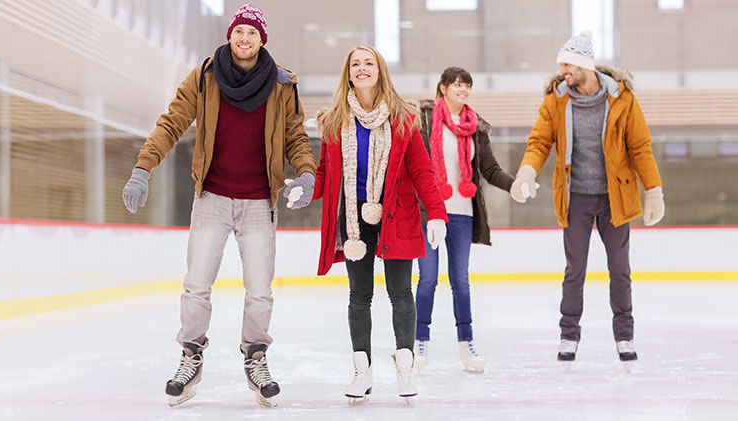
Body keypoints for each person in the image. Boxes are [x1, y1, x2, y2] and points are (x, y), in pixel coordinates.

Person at [121, 4, 317, 407]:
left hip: (260, 201)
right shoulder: (205, 75)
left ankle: (256, 357)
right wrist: (143, 167)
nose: (245, 40)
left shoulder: (282, 83)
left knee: (260, 290)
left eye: (253, 34)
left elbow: (296, 137)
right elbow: (172, 121)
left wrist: (307, 172)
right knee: (196, 286)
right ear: (230, 35)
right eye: (239, 32)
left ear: (262, 40)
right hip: (212, 196)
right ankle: (190, 356)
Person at [510, 30, 665, 367]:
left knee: (620, 270)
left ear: (584, 65)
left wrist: (653, 190)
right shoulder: (557, 99)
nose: (562, 70)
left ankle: (624, 336)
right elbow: (539, 142)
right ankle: (569, 335)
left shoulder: (622, 99)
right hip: (576, 197)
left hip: (615, 198)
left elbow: (640, 147)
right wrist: (526, 172)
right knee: (574, 270)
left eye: (567, 64)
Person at [312, 45, 448, 402]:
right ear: (348, 74)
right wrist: (305, 188)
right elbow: (325, 174)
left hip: (396, 216)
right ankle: (362, 372)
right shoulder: (334, 120)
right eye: (355, 64)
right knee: (359, 296)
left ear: (380, 71)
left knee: (401, 294)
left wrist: (435, 212)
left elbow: (422, 169)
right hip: (354, 221)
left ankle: (405, 369)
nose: (361, 68)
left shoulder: (403, 118)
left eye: (368, 63)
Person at [414, 67, 515, 373]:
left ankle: (466, 346)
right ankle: (419, 344)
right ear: (442, 87)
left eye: (467, 85)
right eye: (456, 84)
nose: (463, 89)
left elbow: (490, 169)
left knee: (460, 281)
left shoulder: (475, 127)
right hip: (430, 212)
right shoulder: (424, 119)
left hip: (462, 213)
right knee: (428, 279)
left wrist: (515, 185)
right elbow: (413, 163)